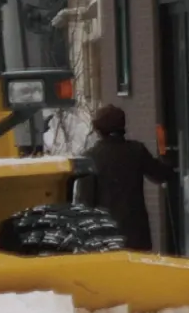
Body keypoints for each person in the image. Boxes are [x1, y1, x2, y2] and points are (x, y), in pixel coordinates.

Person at [75, 104, 177, 252]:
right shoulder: (136, 151)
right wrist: (166, 157)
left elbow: (84, 202)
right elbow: (161, 175)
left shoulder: (90, 158)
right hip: (135, 232)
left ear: (98, 129)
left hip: (104, 236)